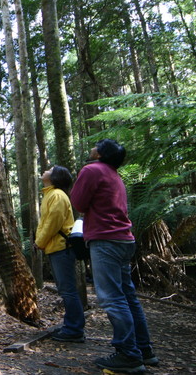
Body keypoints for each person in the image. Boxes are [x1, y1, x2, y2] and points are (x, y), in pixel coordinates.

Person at [71, 139, 158, 373]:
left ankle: (129, 355)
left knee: (112, 298)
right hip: (124, 240)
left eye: (95, 145)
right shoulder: (115, 175)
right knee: (128, 296)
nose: (91, 147)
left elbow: (78, 202)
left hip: (105, 241)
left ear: (100, 153)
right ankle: (144, 349)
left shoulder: (92, 170)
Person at [34, 165, 85, 343]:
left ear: (55, 177)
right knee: (66, 289)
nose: (46, 170)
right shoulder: (51, 194)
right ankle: (72, 326)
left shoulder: (57, 195)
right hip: (56, 248)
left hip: (62, 248)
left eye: (50, 169)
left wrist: (39, 242)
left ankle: (75, 329)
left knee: (67, 290)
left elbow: (52, 223)